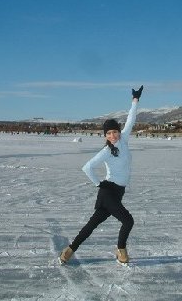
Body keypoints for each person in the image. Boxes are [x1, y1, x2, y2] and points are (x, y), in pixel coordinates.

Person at [59, 85, 143, 264]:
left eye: (114, 131)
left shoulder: (124, 139)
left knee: (91, 225)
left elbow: (131, 120)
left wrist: (135, 100)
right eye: (109, 133)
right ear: (105, 135)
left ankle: (69, 249)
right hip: (109, 192)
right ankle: (121, 250)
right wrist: (99, 184)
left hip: (118, 192)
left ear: (119, 132)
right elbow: (87, 167)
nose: (112, 135)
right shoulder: (106, 151)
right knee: (128, 221)